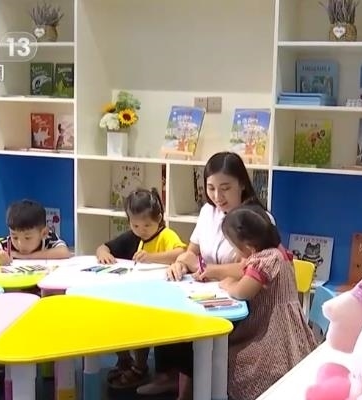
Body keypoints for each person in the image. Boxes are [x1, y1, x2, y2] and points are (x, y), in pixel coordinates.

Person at [152, 205, 317, 399]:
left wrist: (227, 284)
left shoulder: (264, 260)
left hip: (272, 332)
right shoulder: (278, 252)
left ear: (248, 247)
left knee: (230, 359)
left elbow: (243, 291)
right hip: (287, 326)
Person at [95, 188, 188, 390]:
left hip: (163, 298)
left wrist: (152, 257)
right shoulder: (134, 236)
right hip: (139, 294)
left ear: (159, 219)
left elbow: (181, 252)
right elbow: (103, 247)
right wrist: (103, 254)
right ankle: (125, 360)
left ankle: (140, 366)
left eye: (147, 225)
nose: (141, 230)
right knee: (117, 317)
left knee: (142, 326)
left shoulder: (166, 235)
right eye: (135, 225)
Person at [168, 151, 274, 283]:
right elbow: (191, 253)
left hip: (241, 292)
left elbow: (254, 269)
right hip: (207, 289)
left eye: (225, 188)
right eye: (211, 188)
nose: (217, 197)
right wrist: (180, 265)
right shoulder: (207, 211)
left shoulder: (259, 219)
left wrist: (203, 268)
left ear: (242, 184)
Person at [0, 199, 70, 265]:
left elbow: (64, 252)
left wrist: (25, 257)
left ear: (43, 233)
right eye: (15, 237)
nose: (20, 244)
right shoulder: (8, 244)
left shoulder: (49, 238)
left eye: (27, 238)